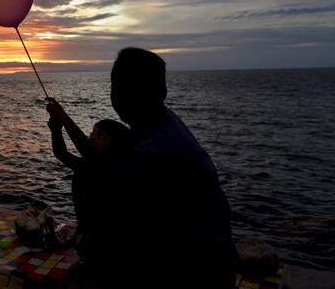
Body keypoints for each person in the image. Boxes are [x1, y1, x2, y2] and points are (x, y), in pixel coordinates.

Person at [50, 47, 237, 289]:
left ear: (115, 93)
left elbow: (124, 240)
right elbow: (92, 155)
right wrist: (61, 121)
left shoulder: (149, 154)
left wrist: (83, 241)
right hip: (214, 267)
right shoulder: (164, 124)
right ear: (163, 92)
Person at [45, 108, 131, 251]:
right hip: (86, 234)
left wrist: (62, 117)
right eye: (92, 133)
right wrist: (56, 130)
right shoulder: (87, 166)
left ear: (117, 148)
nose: (92, 138)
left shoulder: (109, 171)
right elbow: (61, 153)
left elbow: (83, 149)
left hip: (105, 243)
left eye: (101, 137)